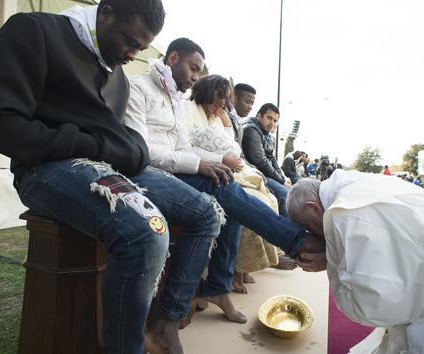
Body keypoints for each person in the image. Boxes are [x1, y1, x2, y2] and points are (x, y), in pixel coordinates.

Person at [0, 2, 225, 353]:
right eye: (131, 41)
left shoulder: (117, 77)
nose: (133, 53)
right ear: (105, 13)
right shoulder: (34, 31)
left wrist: (122, 149)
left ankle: (167, 324)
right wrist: (93, 145)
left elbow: (121, 143)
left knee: (207, 211)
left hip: (105, 165)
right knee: (147, 232)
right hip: (43, 168)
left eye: (140, 47)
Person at [124, 38, 324, 329]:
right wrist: (201, 163)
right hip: (148, 173)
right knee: (224, 191)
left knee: (227, 187)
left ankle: (220, 284)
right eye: (193, 68)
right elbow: (140, 150)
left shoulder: (176, 101)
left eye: (199, 71)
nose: (195, 76)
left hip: (180, 170)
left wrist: (208, 163)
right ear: (172, 59)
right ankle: (296, 241)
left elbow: (183, 148)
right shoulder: (138, 88)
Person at [286, 170, 424, 354]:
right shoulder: (353, 185)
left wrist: (330, 263)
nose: (313, 234)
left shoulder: (344, 214)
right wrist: (331, 254)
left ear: (313, 208)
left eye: (307, 226)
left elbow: (370, 308)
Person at [184, 74, 297, 293]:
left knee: (271, 197)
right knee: (253, 199)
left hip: (228, 168)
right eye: (221, 96)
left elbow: (233, 148)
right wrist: (221, 160)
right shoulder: (188, 109)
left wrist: (225, 126)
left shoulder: (218, 116)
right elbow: (184, 146)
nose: (224, 103)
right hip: (205, 170)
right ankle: (243, 267)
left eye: (226, 98)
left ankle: (247, 267)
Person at [241, 103, 290, 216]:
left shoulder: (265, 132)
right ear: (259, 116)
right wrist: (282, 181)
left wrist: (282, 178)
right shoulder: (251, 129)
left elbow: (272, 158)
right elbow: (261, 162)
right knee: (285, 194)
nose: (272, 123)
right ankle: (286, 231)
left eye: (275, 120)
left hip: (264, 173)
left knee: (292, 188)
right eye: (269, 118)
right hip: (254, 173)